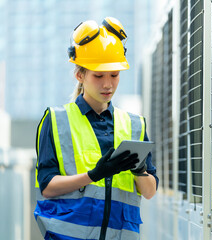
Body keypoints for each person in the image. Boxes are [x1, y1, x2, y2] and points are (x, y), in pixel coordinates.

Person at [34, 17, 158, 240]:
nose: (108, 84)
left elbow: (149, 192)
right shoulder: (56, 120)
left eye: (114, 74)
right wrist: (93, 175)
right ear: (80, 75)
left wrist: (139, 170)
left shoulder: (134, 125)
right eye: (99, 76)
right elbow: (47, 187)